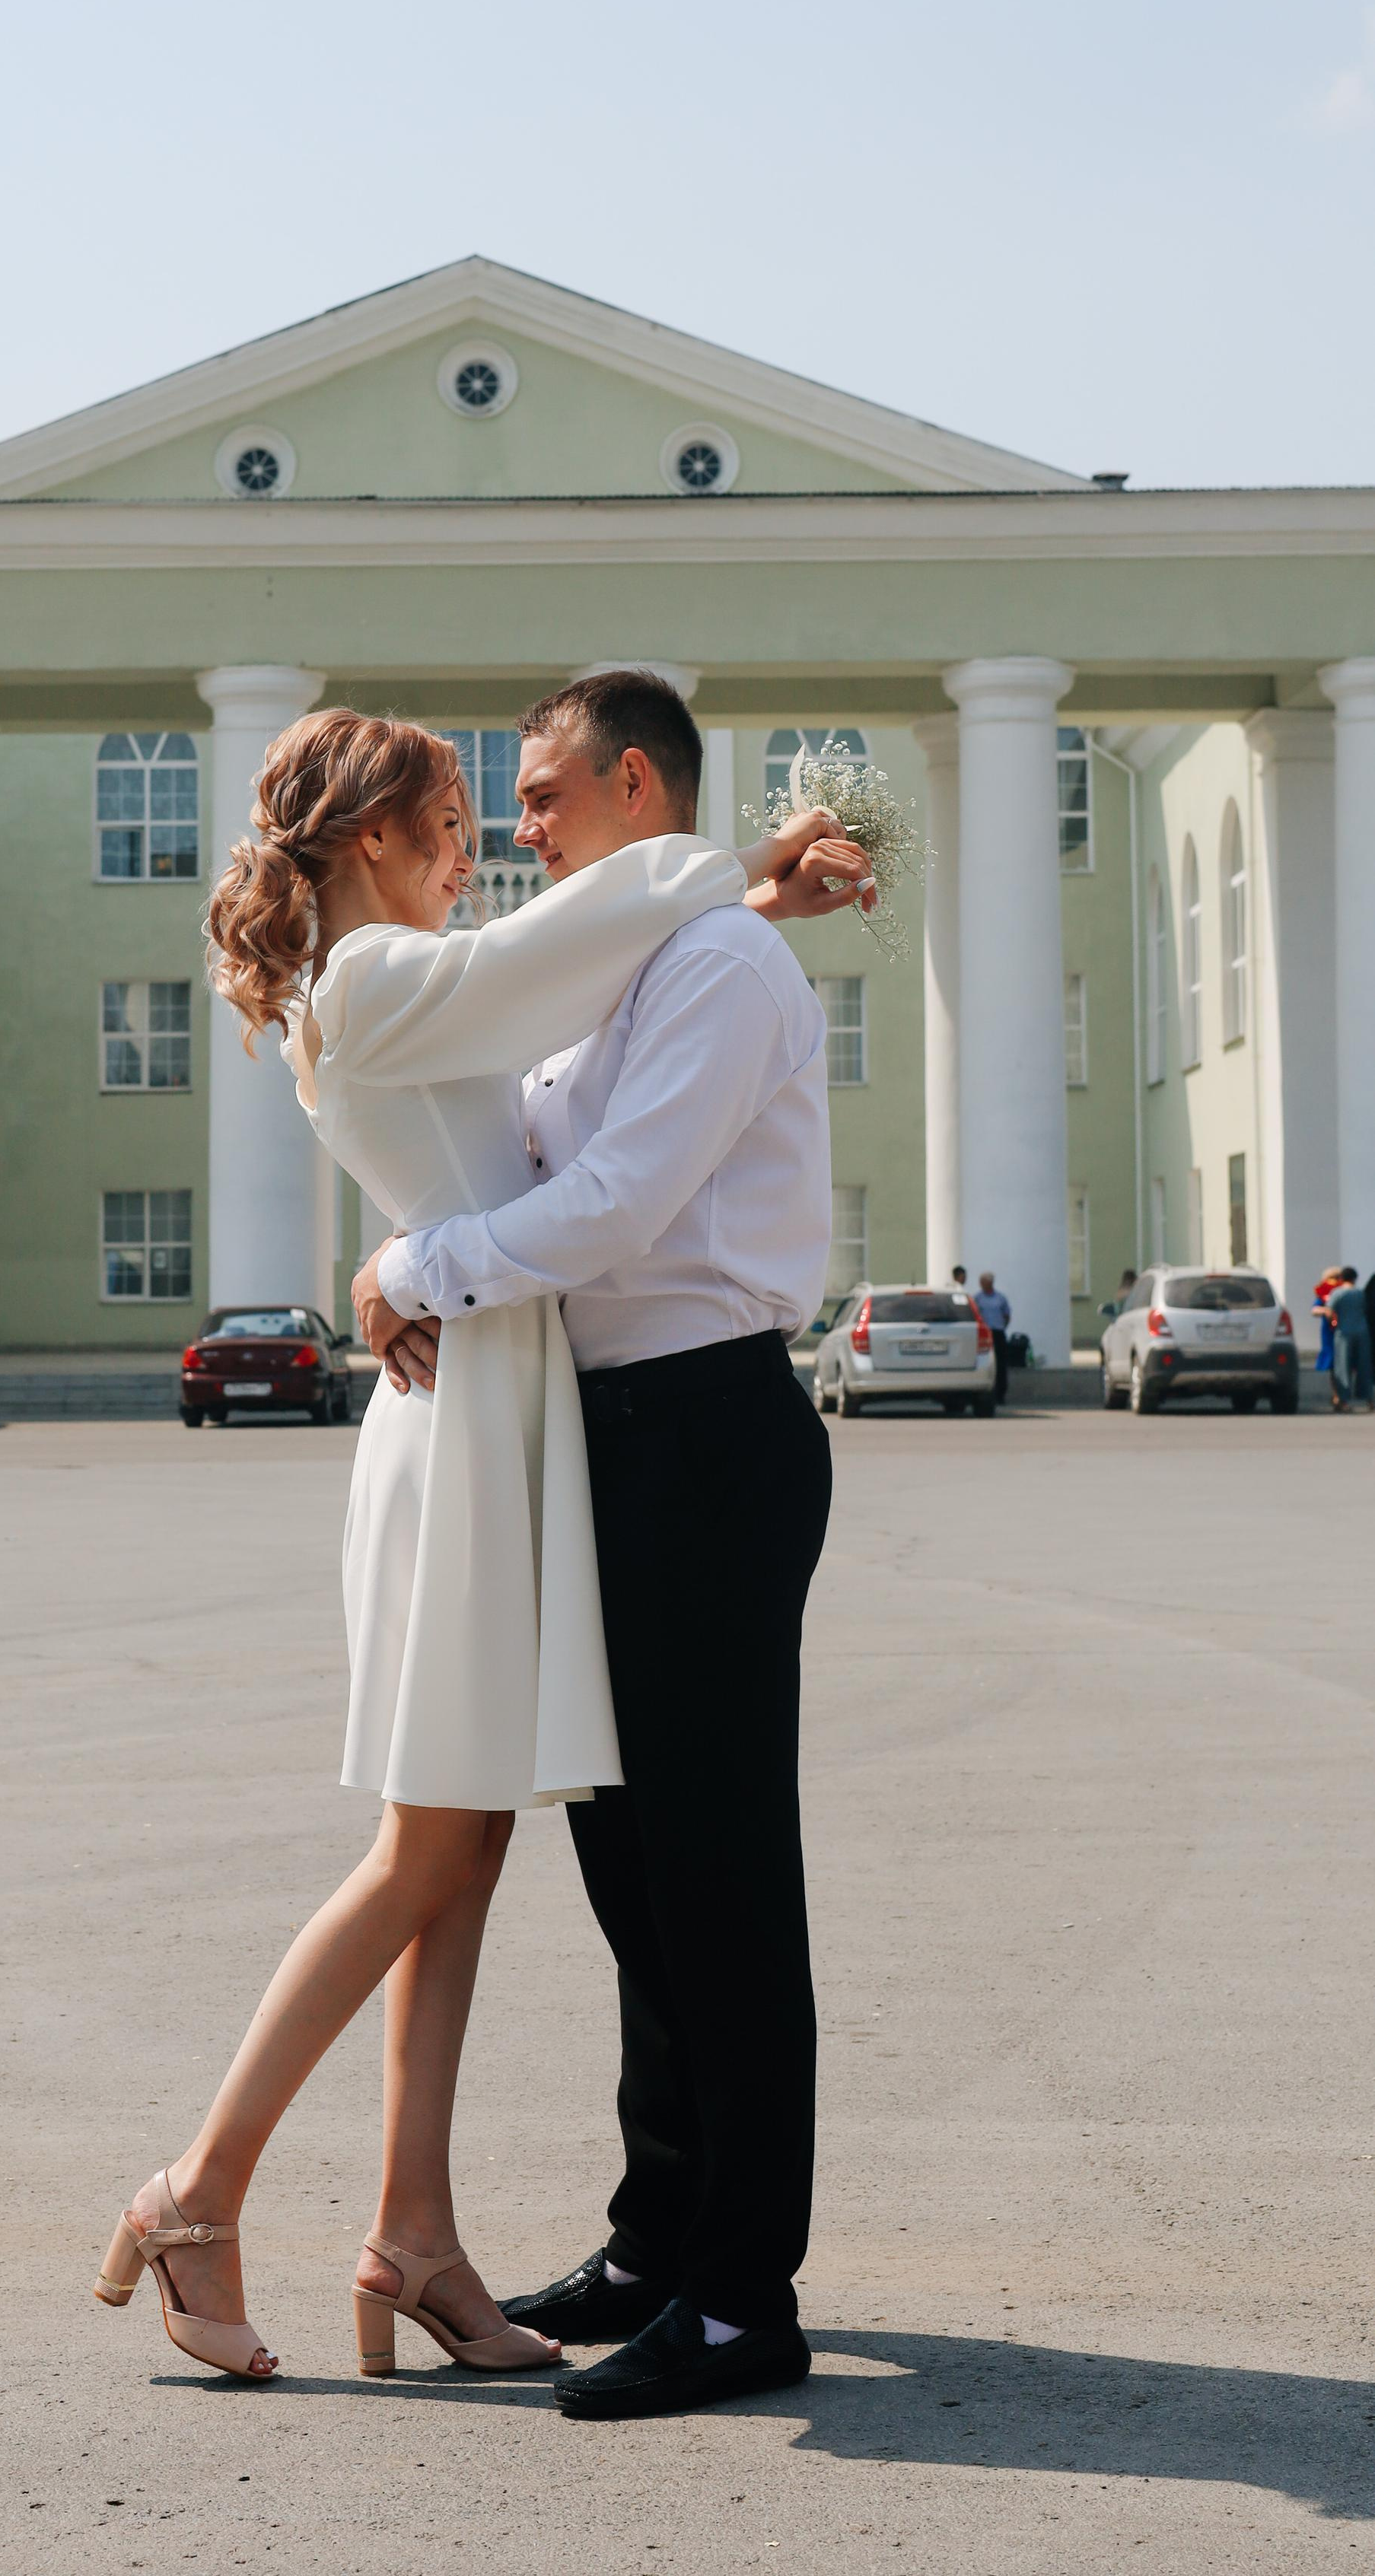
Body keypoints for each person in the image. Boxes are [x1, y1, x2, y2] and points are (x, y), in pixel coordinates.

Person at [94, 707, 868, 2384]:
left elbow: (562, 1085)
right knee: (442, 1853)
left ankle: (422, 2230)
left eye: (513, 800)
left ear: (637, 780)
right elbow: (566, 966)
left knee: (493, 1856)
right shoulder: (388, 977)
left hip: (571, 1422)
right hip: (487, 1436)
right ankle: (203, 2186)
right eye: (457, 813)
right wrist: (739, 880)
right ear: (369, 836)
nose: (490, 840)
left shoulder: (460, 977)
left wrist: (747, 908)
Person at [355, 669, 851, 2422]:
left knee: (718, 1874)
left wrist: (415, 1271)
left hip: (705, 1424)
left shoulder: (717, 967)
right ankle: (659, 2237)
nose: (519, 823)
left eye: (547, 792)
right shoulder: (633, 959)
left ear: (634, 780)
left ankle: (738, 2298)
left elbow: (618, 1201)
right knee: (633, 1870)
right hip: (615, 1439)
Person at [1327, 1266, 1372, 1410]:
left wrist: (1332, 1324)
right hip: (1362, 1332)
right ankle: (1369, 1400)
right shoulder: (1361, 1293)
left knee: (1343, 1367)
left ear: (1341, 1279)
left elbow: (1330, 1312)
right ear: (1355, 1278)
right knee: (1364, 1366)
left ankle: (1344, 1401)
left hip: (1344, 1333)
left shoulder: (1337, 1293)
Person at [972, 1269, 1013, 1403]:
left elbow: (1007, 1315)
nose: (982, 1284)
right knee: (987, 1363)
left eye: (984, 1282)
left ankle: (1001, 1394)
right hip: (985, 1334)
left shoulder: (1000, 1298)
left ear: (990, 1283)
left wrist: (1002, 1326)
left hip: (998, 1333)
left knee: (1001, 1365)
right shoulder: (978, 1298)